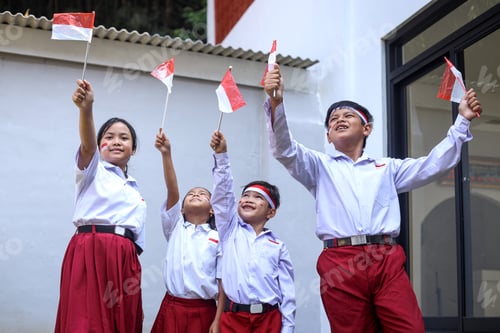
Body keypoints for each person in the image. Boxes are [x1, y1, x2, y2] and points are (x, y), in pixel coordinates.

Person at [263, 64, 483, 333]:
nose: (338, 119)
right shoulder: (319, 167)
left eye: (347, 115)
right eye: (332, 119)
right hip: (339, 261)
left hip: (386, 258)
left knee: (410, 328)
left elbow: (433, 165)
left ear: (366, 129)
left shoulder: (387, 168)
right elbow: (284, 148)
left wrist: (462, 121)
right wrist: (276, 102)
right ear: (329, 137)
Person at [55, 79, 146, 333]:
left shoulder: (135, 191)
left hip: (124, 259)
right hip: (90, 250)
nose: (116, 141)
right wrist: (86, 109)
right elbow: (86, 145)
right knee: (84, 321)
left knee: (122, 322)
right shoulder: (92, 171)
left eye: (124, 138)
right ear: (99, 145)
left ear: (133, 149)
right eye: (109, 137)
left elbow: (138, 239)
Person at [210, 130, 296, 333]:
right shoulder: (230, 231)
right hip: (233, 319)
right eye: (245, 195)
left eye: (258, 197)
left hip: (269, 320)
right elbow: (223, 194)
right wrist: (222, 157)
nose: (248, 199)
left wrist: (287, 328)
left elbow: (288, 293)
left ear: (271, 211)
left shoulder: (278, 247)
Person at [151, 128, 224, 333]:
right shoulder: (175, 227)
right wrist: (166, 153)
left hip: (204, 309)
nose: (195, 194)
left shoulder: (218, 238)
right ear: (181, 209)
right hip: (172, 306)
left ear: (212, 210)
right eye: (191, 194)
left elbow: (222, 283)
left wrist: (218, 319)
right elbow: (173, 190)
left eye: (202, 194)